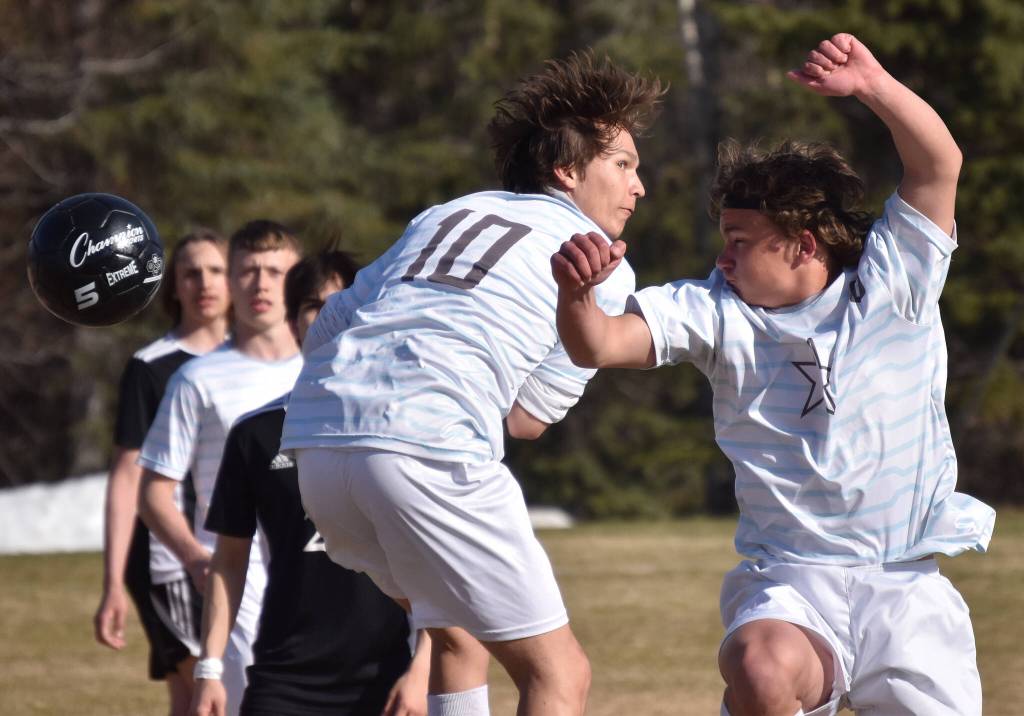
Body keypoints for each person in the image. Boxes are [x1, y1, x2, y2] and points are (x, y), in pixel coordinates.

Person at [552, 33, 995, 716]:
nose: (723, 260)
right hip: (789, 583)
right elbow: (601, 344)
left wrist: (875, 85)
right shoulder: (713, 310)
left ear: (803, 245)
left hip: (905, 588)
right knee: (761, 670)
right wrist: (576, 296)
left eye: (740, 243)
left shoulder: (891, 284)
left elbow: (939, 164)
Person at [281, 52, 664, 716]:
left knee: (455, 630)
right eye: (624, 164)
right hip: (426, 447)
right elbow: (528, 421)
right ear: (568, 170)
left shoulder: (444, 215)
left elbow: (329, 324)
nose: (640, 186)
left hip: (317, 449)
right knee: (559, 674)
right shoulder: (594, 257)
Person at [191, 245, 429, 716]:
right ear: (294, 322)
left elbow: (436, 562)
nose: (326, 317)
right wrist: (209, 669)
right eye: (312, 306)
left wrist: (422, 671)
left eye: (340, 303)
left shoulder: (402, 421)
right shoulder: (255, 434)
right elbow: (229, 562)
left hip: (389, 679)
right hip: (284, 680)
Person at [139, 220, 303, 716]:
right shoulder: (195, 379)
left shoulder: (327, 370)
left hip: (320, 578)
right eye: (248, 271)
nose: (261, 283)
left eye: (275, 271)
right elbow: (152, 493)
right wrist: (194, 558)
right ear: (230, 282)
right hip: (236, 585)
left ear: (295, 281)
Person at [93, 228, 230, 716]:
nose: (205, 282)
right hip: (170, 562)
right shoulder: (150, 368)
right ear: (172, 286)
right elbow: (127, 478)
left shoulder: (257, 362)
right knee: (207, 690)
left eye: (216, 270)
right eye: (191, 272)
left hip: (237, 554)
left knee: (193, 696)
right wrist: (112, 584)